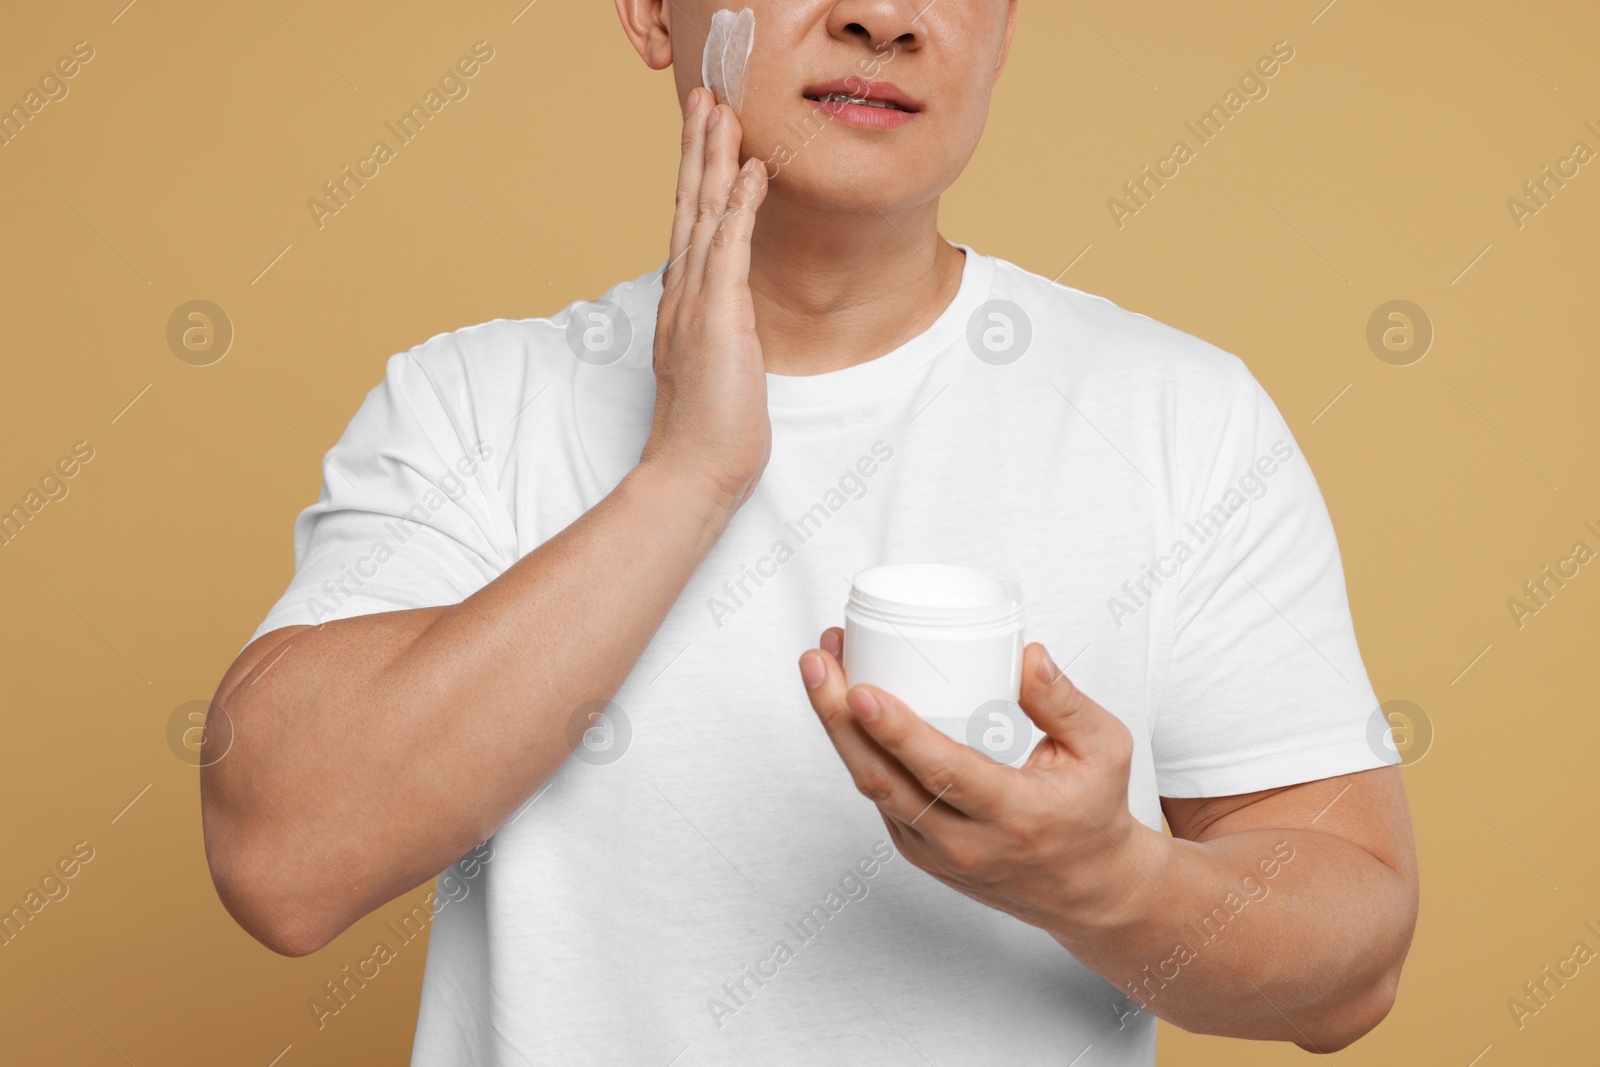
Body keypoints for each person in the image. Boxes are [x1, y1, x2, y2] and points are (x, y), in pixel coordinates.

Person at [201, 1, 1418, 1063]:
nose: (882, 17)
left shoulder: (1177, 418)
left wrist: (1109, 880)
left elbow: (1351, 966)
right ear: (649, 13)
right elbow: (286, 858)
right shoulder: (477, 402)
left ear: (1003, 33)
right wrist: (684, 475)